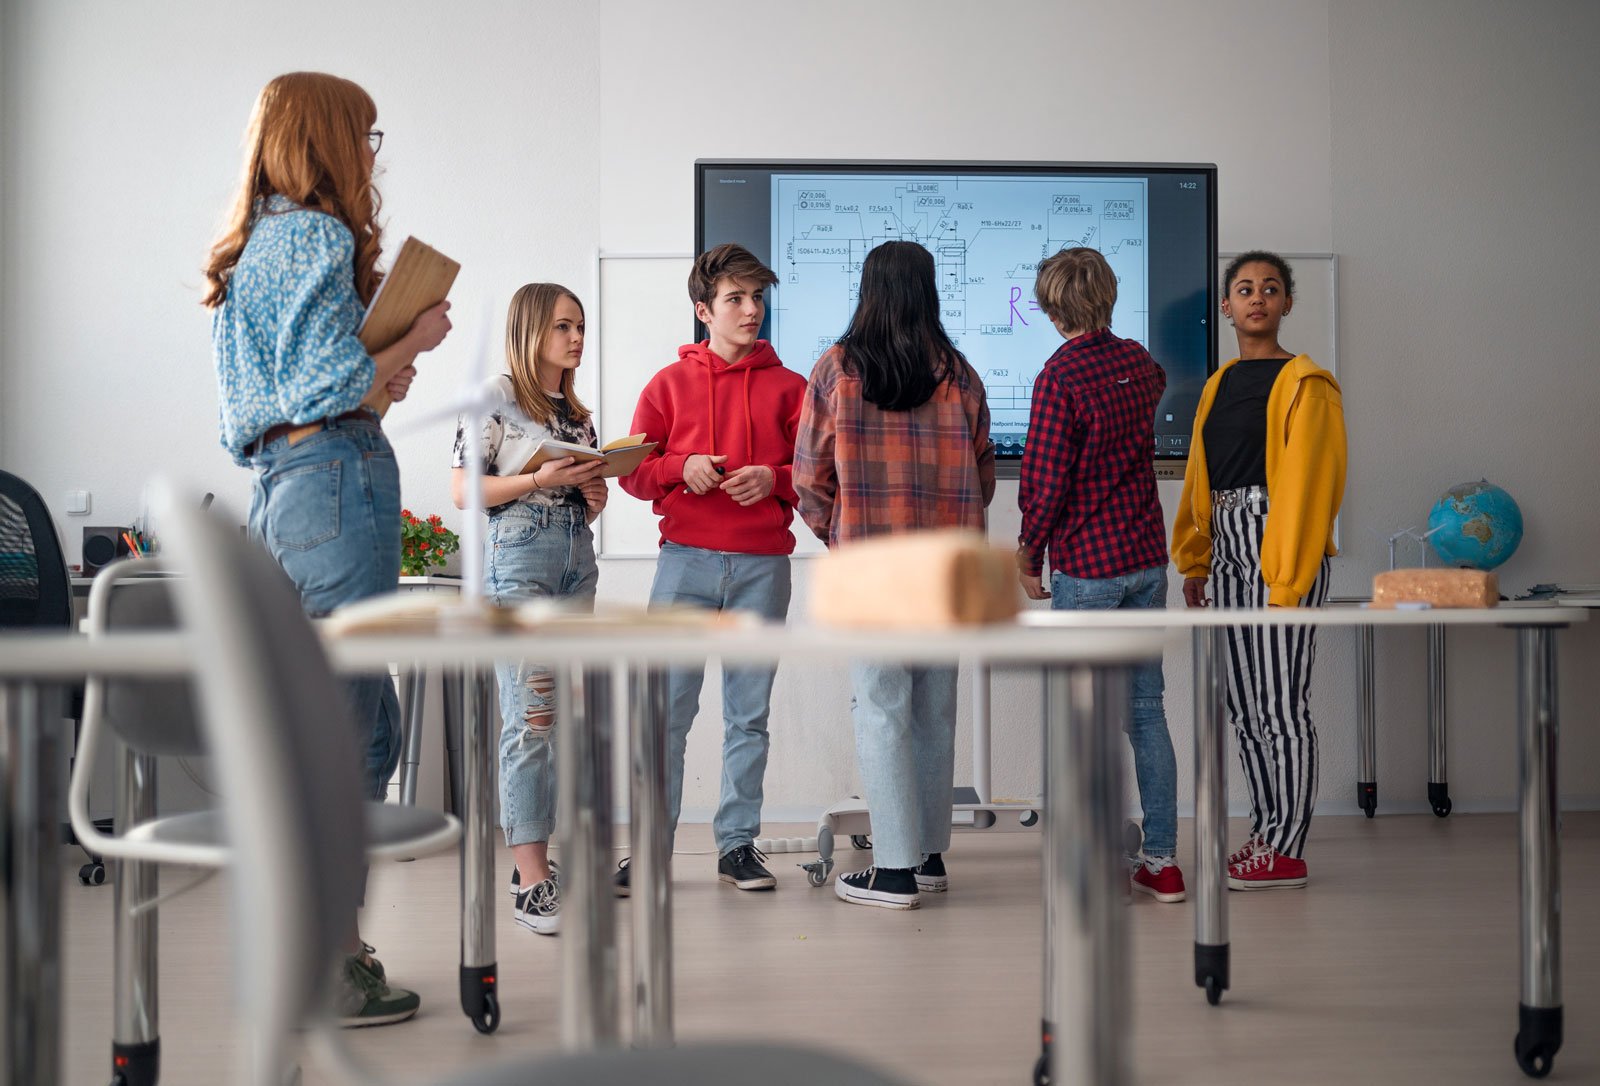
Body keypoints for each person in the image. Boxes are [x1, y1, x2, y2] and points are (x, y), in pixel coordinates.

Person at [204, 71, 451, 1025]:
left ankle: (307, 942)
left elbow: (269, 408)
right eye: (367, 135)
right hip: (335, 481)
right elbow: (327, 388)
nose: (373, 154)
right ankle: (337, 957)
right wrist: (410, 337)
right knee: (352, 720)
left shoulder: (249, 249)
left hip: (282, 488)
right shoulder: (313, 233)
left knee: (323, 713)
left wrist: (378, 372)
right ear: (330, 138)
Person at [795, 240, 996, 911]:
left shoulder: (835, 368)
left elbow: (808, 480)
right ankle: (930, 857)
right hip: (944, 573)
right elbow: (983, 478)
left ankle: (895, 872)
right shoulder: (961, 375)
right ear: (929, 291)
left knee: (882, 711)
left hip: (873, 571)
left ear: (869, 289)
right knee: (935, 710)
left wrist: (844, 540)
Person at [617, 243, 807, 893]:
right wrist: (680, 465)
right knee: (665, 715)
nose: (751, 310)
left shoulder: (793, 388)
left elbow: (816, 477)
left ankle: (737, 846)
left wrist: (774, 478)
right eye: (736, 299)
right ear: (704, 310)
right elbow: (633, 474)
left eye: (758, 298)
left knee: (748, 716)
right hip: (684, 567)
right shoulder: (666, 387)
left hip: (762, 569)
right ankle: (648, 850)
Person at [1172, 250, 1347, 890]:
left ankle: (1287, 848)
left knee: (1280, 704)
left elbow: (1308, 490)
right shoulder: (1217, 385)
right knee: (1244, 707)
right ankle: (1265, 832)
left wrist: (1288, 582)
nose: (1257, 298)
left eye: (1270, 289)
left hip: (1280, 550)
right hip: (1227, 551)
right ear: (1226, 307)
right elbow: (1201, 477)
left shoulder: (1308, 384)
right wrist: (1196, 559)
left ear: (1287, 304)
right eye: (1244, 289)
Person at [1015, 247, 1184, 903]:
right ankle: (1163, 862)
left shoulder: (1060, 376)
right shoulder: (1140, 363)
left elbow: (1047, 480)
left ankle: (1095, 860)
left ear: (1053, 310)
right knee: (1146, 712)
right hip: (1146, 558)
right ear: (1109, 298)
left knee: (1084, 718)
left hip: (1088, 566)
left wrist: (1029, 551)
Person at [451, 283, 607, 936]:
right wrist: (539, 480)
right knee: (530, 713)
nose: (576, 339)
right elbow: (465, 491)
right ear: (530, 331)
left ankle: (536, 864)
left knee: (566, 714)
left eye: (580, 327)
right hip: (518, 559)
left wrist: (593, 491)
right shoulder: (496, 399)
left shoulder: (575, 412)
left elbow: (586, 492)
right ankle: (531, 879)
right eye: (563, 327)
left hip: (574, 555)